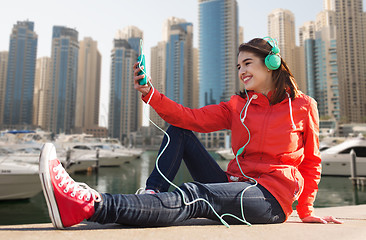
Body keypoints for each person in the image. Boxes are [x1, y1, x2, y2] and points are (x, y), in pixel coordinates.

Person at [39, 38, 341, 230]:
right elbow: (189, 117)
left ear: (272, 63)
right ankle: (152, 193)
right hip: (234, 184)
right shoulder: (238, 105)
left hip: (270, 198)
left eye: (248, 63)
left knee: (196, 195)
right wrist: (150, 93)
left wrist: (306, 209)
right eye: (238, 66)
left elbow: (312, 161)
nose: (242, 71)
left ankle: (91, 205)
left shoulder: (302, 105)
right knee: (180, 129)